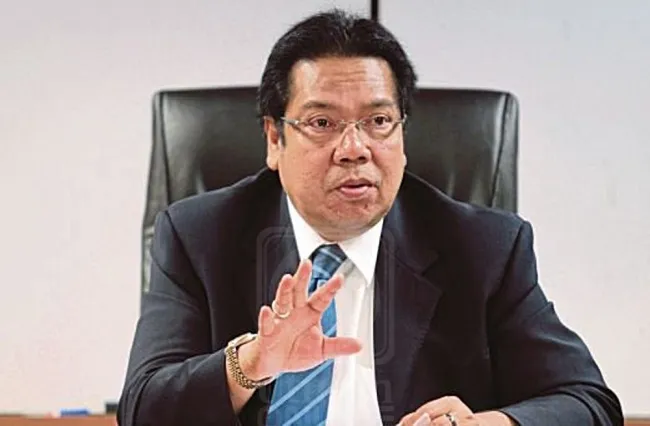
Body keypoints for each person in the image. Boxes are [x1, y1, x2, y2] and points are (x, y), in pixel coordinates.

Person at [117, 9, 623, 426]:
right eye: (322, 122)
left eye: (378, 121)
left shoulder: (483, 248)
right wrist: (250, 364)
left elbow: (589, 404)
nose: (354, 148)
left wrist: (488, 425)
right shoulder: (201, 236)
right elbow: (142, 411)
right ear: (274, 139)